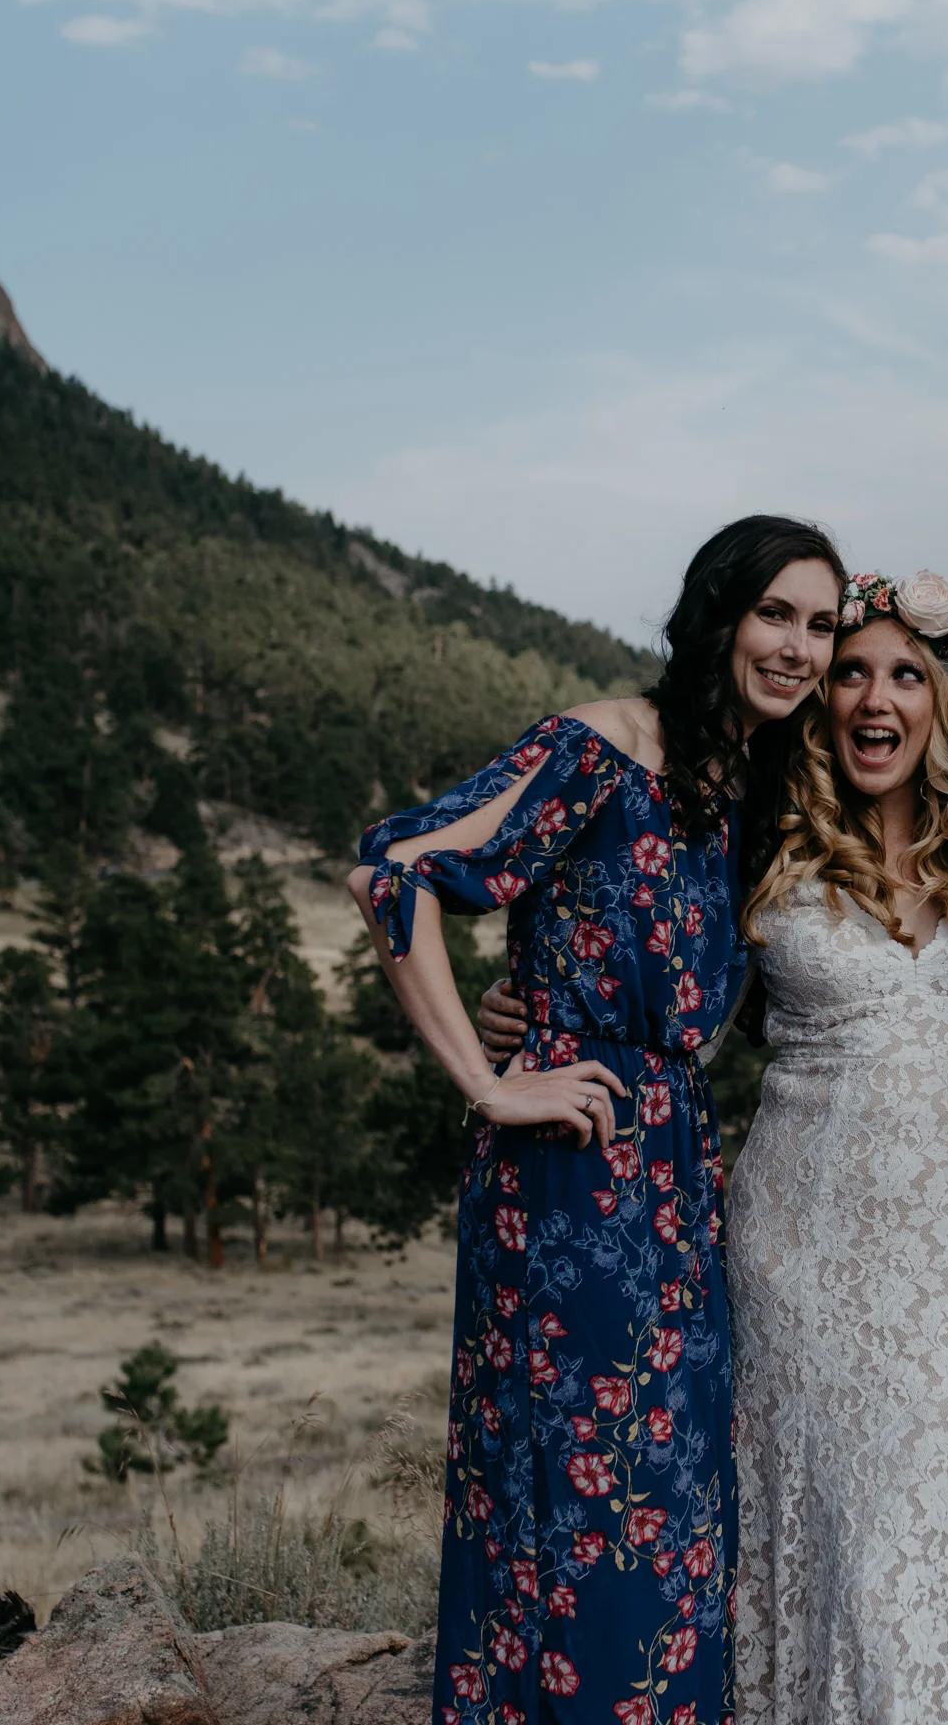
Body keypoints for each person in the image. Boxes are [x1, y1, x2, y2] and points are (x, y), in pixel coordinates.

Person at [481, 568, 948, 1723]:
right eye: (849, 673)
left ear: (945, 698)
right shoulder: (761, 838)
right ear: (820, 699)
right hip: (801, 1244)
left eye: (906, 674)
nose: (874, 697)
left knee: (938, 1498)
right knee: (832, 1521)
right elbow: (643, 957)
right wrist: (536, 1014)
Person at [346, 515, 843, 1725]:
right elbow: (391, 870)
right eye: (775, 613)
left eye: (822, 624)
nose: (798, 646)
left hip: (675, 1166)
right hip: (569, 1169)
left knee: (669, 1491)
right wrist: (486, 1077)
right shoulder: (598, 748)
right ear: (717, 615)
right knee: (577, 1494)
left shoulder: (747, 780)